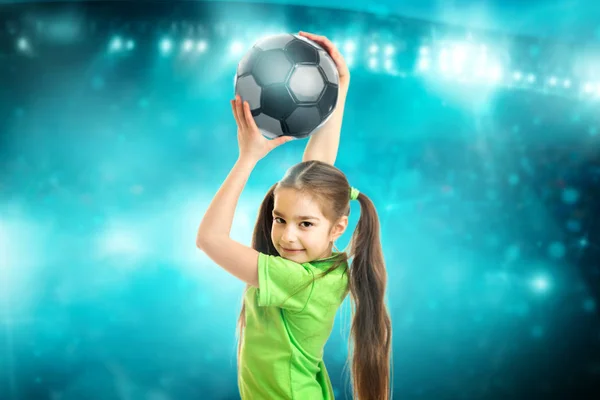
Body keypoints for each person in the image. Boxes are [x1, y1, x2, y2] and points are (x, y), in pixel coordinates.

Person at [196, 31, 392, 400]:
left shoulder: (298, 281)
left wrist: (248, 157)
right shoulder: (329, 269)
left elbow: (209, 240)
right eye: (279, 218)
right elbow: (317, 177)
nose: (287, 236)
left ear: (338, 227)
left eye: (305, 225)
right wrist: (338, 89)